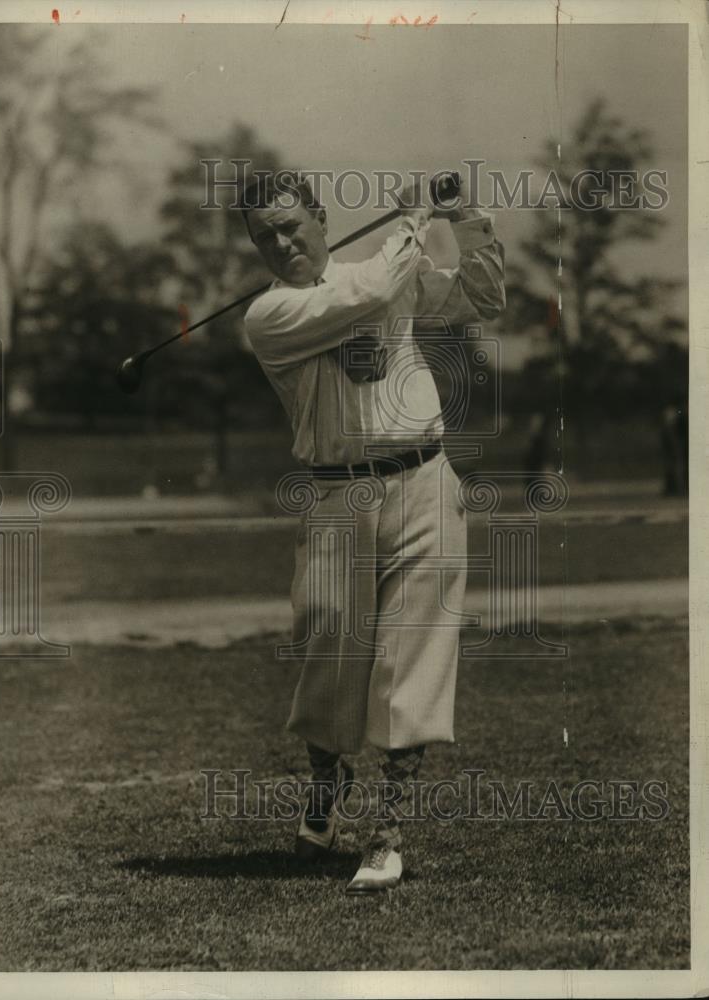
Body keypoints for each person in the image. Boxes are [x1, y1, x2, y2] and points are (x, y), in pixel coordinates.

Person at [240, 170, 505, 893]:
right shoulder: (271, 316)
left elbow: (484, 296)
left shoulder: (380, 274)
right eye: (265, 235)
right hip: (335, 498)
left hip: (423, 479)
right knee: (328, 649)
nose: (281, 241)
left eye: (292, 225)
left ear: (321, 219)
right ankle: (325, 788)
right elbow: (368, 296)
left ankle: (387, 833)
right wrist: (416, 221)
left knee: (410, 658)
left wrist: (463, 215)